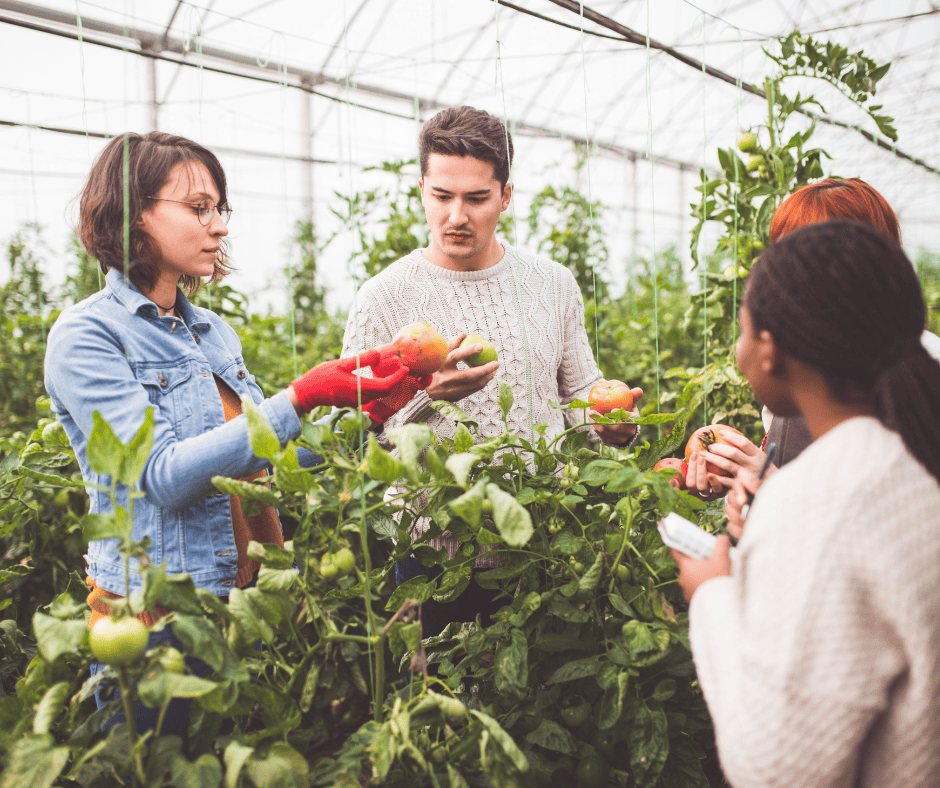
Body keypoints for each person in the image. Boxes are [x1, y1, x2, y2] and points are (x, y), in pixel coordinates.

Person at [44, 131, 409, 742]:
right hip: (157, 624)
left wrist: (367, 407)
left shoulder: (211, 332)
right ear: (133, 214)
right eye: (198, 208)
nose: (219, 227)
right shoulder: (86, 338)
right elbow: (164, 477)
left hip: (241, 605)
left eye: (221, 209)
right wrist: (301, 395)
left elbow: (268, 459)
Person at [341, 106, 642, 637]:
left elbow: (579, 388)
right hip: (431, 556)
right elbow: (357, 435)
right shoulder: (383, 298)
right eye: (443, 196)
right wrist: (430, 397)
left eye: (477, 198)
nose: (457, 215)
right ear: (422, 190)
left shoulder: (551, 284)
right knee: (435, 706)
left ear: (505, 196)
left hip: (543, 543)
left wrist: (610, 421)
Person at [672, 220, 940, 787]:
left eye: (743, 328)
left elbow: (777, 768)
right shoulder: (912, 456)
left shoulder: (822, 500)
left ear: (770, 351)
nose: (737, 349)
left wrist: (711, 590)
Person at [686, 177, 940, 519]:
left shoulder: (923, 363)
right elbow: (786, 460)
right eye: (782, 250)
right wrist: (740, 477)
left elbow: (899, 523)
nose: (787, 270)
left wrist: (777, 488)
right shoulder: (801, 361)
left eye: (810, 251)